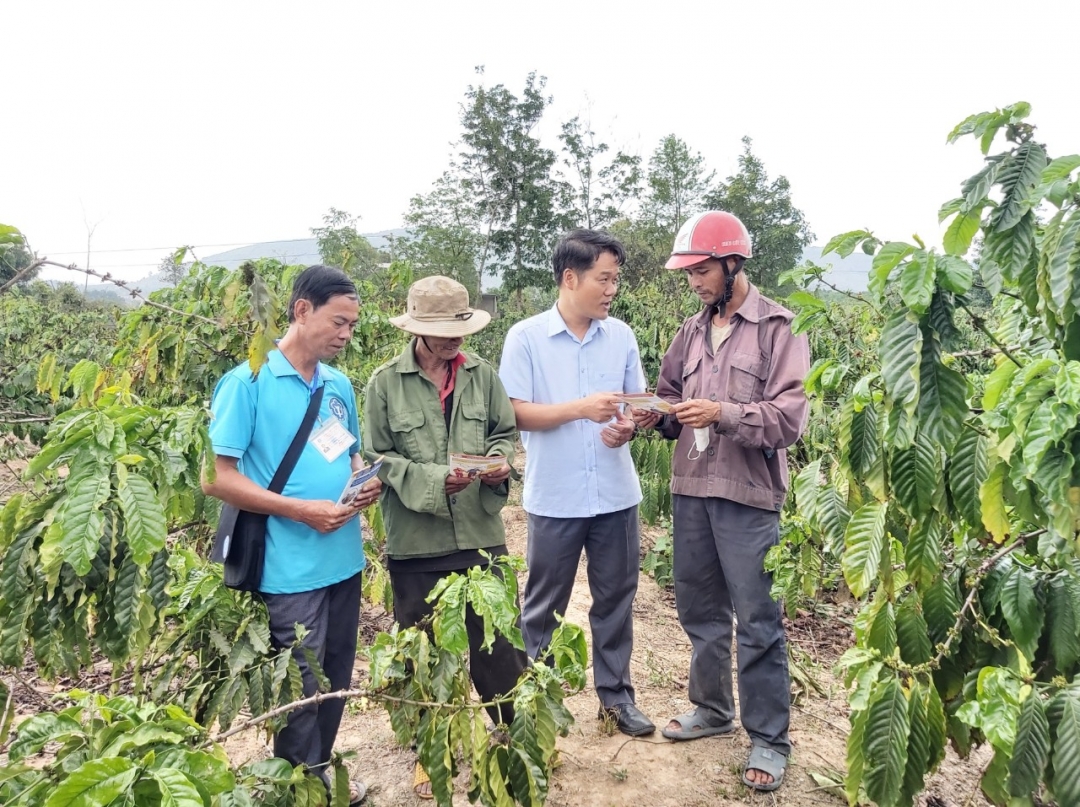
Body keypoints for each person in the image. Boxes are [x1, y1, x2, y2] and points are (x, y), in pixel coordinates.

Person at [631, 211, 810, 792]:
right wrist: (648, 416)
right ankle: (712, 709)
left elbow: (788, 419)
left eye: (702, 270)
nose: (695, 282)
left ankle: (768, 737)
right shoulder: (688, 332)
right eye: (689, 274)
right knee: (700, 610)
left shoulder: (780, 329)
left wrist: (723, 414)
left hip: (747, 495)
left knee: (758, 618)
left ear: (734, 264)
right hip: (691, 490)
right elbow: (667, 399)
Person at [203, 264, 380, 806]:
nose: (347, 334)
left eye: (352, 324)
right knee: (299, 689)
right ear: (302, 311)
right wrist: (299, 510)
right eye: (338, 322)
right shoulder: (247, 382)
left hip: (343, 560)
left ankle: (314, 781)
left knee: (334, 681)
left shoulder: (337, 385)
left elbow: (346, 451)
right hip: (288, 568)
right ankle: (297, 790)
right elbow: (217, 478)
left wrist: (361, 481)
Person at [363, 275, 529, 799]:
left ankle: (511, 740)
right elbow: (378, 457)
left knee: (500, 646)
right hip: (417, 542)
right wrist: (435, 481)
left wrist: (500, 463)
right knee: (427, 653)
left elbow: (505, 433)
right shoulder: (384, 383)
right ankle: (431, 751)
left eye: (460, 329)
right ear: (417, 330)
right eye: (441, 331)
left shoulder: (483, 376)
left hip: (481, 534)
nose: (454, 340)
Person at [498, 228, 655, 737]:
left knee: (616, 599)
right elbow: (515, 412)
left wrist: (630, 423)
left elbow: (637, 401)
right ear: (570, 277)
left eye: (615, 280)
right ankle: (532, 698)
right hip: (557, 495)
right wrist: (580, 410)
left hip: (615, 493)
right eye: (603, 279)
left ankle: (616, 698)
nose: (612, 290)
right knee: (544, 603)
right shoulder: (525, 337)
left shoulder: (622, 336)